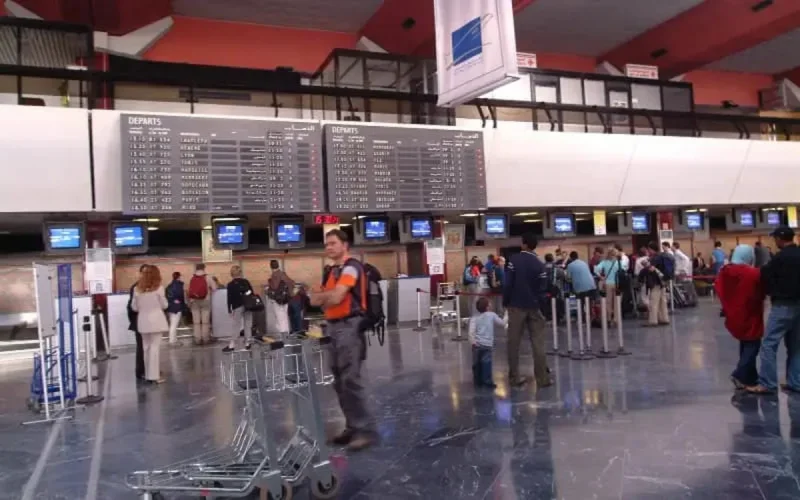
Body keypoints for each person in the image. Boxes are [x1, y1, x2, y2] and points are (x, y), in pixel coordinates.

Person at [310, 229, 376, 451]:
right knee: (339, 382)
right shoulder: (331, 271)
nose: (328, 247)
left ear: (345, 245)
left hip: (349, 327)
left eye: (333, 243)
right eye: (326, 244)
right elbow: (315, 301)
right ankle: (352, 426)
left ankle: (364, 430)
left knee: (351, 380)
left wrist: (324, 297)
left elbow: (336, 297)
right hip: (332, 328)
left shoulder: (351, 267)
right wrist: (325, 297)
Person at [747, 227, 800, 394]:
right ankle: (795, 382)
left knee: (769, 345)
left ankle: (767, 383)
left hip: (783, 306)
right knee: (796, 346)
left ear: (780, 239)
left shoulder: (779, 258)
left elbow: (765, 275)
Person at [502, 233, 551, 388]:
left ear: (523, 244)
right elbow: (543, 288)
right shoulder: (539, 264)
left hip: (516, 306)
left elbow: (508, 284)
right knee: (538, 343)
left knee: (514, 342)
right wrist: (540, 305)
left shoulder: (514, 260)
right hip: (534, 307)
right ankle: (542, 379)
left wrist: (506, 301)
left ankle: (514, 377)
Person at [715, 245, 764, 390]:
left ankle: (750, 377)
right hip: (750, 312)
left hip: (732, 313)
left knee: (745, 343)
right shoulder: (753, 273)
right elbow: (759, 291)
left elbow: (720, 289)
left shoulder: (724, 271)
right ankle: (739, 374)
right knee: (753, 344)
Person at [131, 265, 168, 385]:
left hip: (143, 321)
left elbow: (134, 307)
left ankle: (147, 375)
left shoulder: (137, 289)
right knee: (154, 348)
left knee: (145, 348)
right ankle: (154, 376)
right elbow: (165, 305)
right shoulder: (159, 288)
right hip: (156, 321)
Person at [469, 297, 503, 389]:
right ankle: (487, 382)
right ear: (487, 307)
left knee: (476, 364)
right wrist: (507, 316)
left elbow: (471, 331)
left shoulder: (474, 318)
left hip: (476, 344)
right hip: (487, 344)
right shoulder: (492, 315)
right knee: (487, 363)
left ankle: (477, 381)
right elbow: (501, 323)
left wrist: (473, 341)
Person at [223, 265, 255, 353]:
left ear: (232, 273)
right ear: (240, 272)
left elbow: (229, 298)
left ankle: (232, 345)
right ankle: (247, 343)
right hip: (248, 306)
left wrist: (229, 309)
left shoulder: (230, 284)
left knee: (236, 325)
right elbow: (251, 293)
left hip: (237, 306)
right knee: (248, 324)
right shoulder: (246, 282)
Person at [127, 264, 148, 382]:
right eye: (144, 272)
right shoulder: (136, 287)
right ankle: (140, 371)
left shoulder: (150, 286)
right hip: (140, 321)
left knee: (149, 347)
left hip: (146, 321)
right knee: (141, 347)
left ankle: (149, 370)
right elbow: (132, 307)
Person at [594, 247, 626, 325]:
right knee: (617, 302)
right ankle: (616, 319)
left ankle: (608, 318)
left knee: (608, 302)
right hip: (617, 284)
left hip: (608, 283)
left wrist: (601, 277)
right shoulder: (619, 262)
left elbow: (595, 270)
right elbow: (624, 270)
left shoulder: (604, 262)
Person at [188, 263, 217, 345]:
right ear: (204, 268)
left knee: (196, 322)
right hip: (205, 301)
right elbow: (215, 288)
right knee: (205, 321)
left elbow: (189, 290)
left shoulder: (192, 278)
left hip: (194, 301)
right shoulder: (208, 277)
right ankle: (205, 338)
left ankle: (197, 339)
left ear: (196, 268)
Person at [642, 242, 671, 326]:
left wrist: (645, 265)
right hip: (663, 281)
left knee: (654, 302)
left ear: (651, 249)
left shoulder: (654, 258)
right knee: (663, 301)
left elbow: (652, 269)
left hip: (655, 282)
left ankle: (653, 321)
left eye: (649, 249)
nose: (648, 251)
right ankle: (664, 319)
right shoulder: (662, 256)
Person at [266, 259, 294, 334]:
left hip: (278, 300)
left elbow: (275, 287)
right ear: (278, 265)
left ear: (270, 267)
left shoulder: (274, 275)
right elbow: (292, 282)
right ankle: (286, 334)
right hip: (285, 299)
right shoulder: (283, 274)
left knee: (280, 318)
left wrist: (269, 287)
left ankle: (284, 336)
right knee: (284, 317)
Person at [165, 271, 186, 347]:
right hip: (177, 307)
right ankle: (172, 341)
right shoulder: (179, 285)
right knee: (174, 325)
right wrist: (181, 303)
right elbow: (180, 296)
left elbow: (167, 295)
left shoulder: (169, 285)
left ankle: (174, 339)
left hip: (170, 307)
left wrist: (172, 300)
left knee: (172, 324)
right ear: (179, 277)